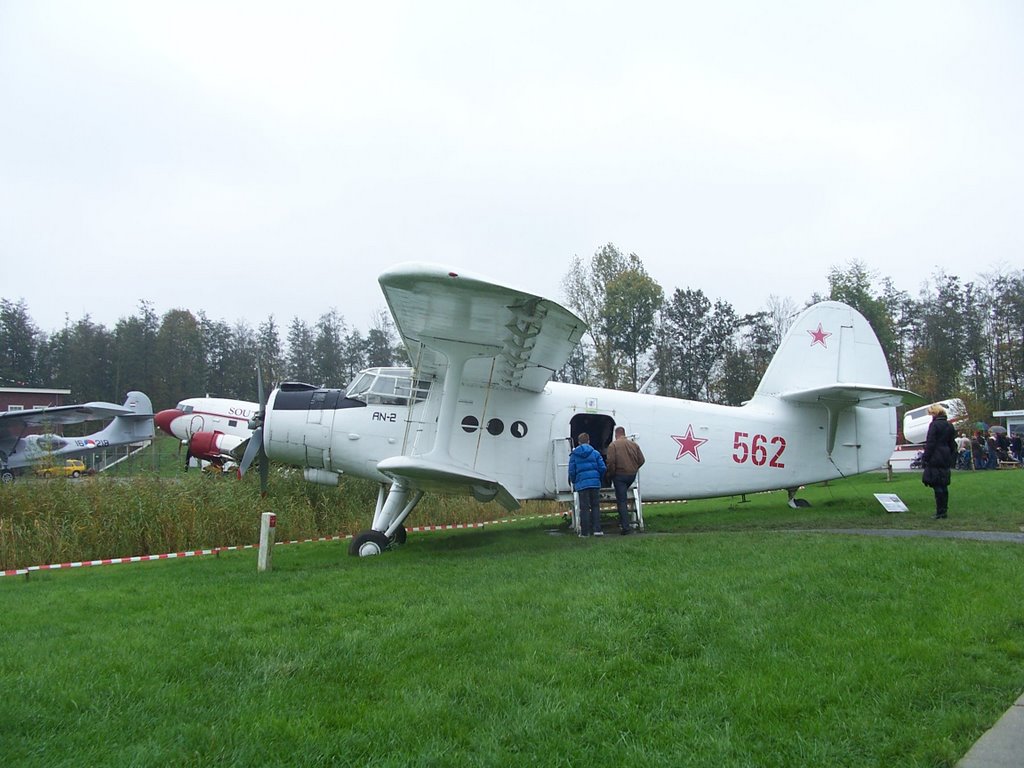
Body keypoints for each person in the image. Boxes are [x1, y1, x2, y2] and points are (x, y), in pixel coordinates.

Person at [604, 426, 645, 535]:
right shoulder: (634, 444)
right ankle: (626, 523)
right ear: (624, 433)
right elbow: (642, 460)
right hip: (631, 475)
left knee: (621, 501)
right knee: (624, 498)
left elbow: (611, 462)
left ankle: (625, 527)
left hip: (619, 476)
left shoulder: (613, 445)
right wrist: (634, 468)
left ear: (616, 434)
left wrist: (610, 475)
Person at [921, 404, 957, 519]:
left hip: (935, 455)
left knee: (936, 484)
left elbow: (930, 443)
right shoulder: (949, 425)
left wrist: (925, 457)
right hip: (945, 455)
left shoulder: (934, 425)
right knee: (944, 484)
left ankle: (940, 511)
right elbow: (952, 443)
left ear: (934, 414)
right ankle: (944, 510)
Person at [568, 432, 606, 536]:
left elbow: (572, 471)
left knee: (584, 508)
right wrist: (599, 478)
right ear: (589, 441)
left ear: (579, 442)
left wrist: (575, 480)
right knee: (595, 506)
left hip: (582, 484)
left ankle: (585, 532)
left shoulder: (574, 455)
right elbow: (602, 468)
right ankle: (597, 530)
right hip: (595, 483)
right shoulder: (595, 453)